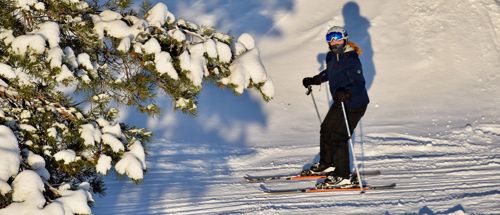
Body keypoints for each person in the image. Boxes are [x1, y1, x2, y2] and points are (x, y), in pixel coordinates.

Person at [301, 26, 369, 187]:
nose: (334, 42)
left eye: (337, 38)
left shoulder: (351, 58)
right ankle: (328, 163)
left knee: (339, 136)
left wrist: (347, 92)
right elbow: (329, 73)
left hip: (355, 103)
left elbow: (358, 82)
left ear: (345, 39)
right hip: (340, 102)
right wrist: (315, 79)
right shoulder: (331, 57)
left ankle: (343, 175)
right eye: (330, 39)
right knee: (326, 128)